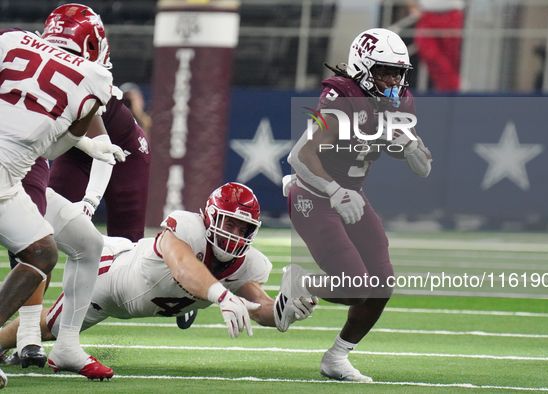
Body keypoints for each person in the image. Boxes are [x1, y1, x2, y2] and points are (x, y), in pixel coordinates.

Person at [0, 183, 317, 370]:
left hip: (143, 293)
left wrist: (285, 311)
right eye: (229, 223)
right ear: (209, 217)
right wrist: (220, 296)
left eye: (242, 229)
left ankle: (189, 303)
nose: (234, 235)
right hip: (109, 274)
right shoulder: (186, 229)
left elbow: (262, 309)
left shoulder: (246, 264)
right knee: (49, 325)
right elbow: (181, 267)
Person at [281, 28, 432, 382]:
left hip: (352, 196)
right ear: (363, 67)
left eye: (399, 72)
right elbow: (299, 156)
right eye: (385, 71)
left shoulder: (399, 103)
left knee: (383, 283)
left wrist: (410, 147)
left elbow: (423, 169)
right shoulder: (342, 99)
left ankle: (336, 358)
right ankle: (300, 283)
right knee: (356, 287)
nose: (394, 80)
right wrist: (334, 191)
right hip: (312, 194)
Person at [0, 13, 125, 387]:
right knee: (41, 254)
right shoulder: (95, 79)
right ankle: (26, 336)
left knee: (79, 244)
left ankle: (66, 344)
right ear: (92, 45)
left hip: (10, 178)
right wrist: (86, 140)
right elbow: (53, 146)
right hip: (4, 177)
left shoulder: (12, 39)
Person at [45, 6, 152, 243]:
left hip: (124, 154)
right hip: (74, 149)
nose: (60, 60)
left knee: (125, 246)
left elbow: (103, 147)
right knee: (41, 229)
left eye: (66, 52)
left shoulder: (91, 81)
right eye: (54, 52)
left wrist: (90, 201)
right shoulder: (38, 77)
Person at [407, 0, 465, 91]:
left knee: (451, 58)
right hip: (427, 14)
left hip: (451, 13)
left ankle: (451, 89)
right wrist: (412, 6)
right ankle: (452, 87)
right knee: (428, 52)